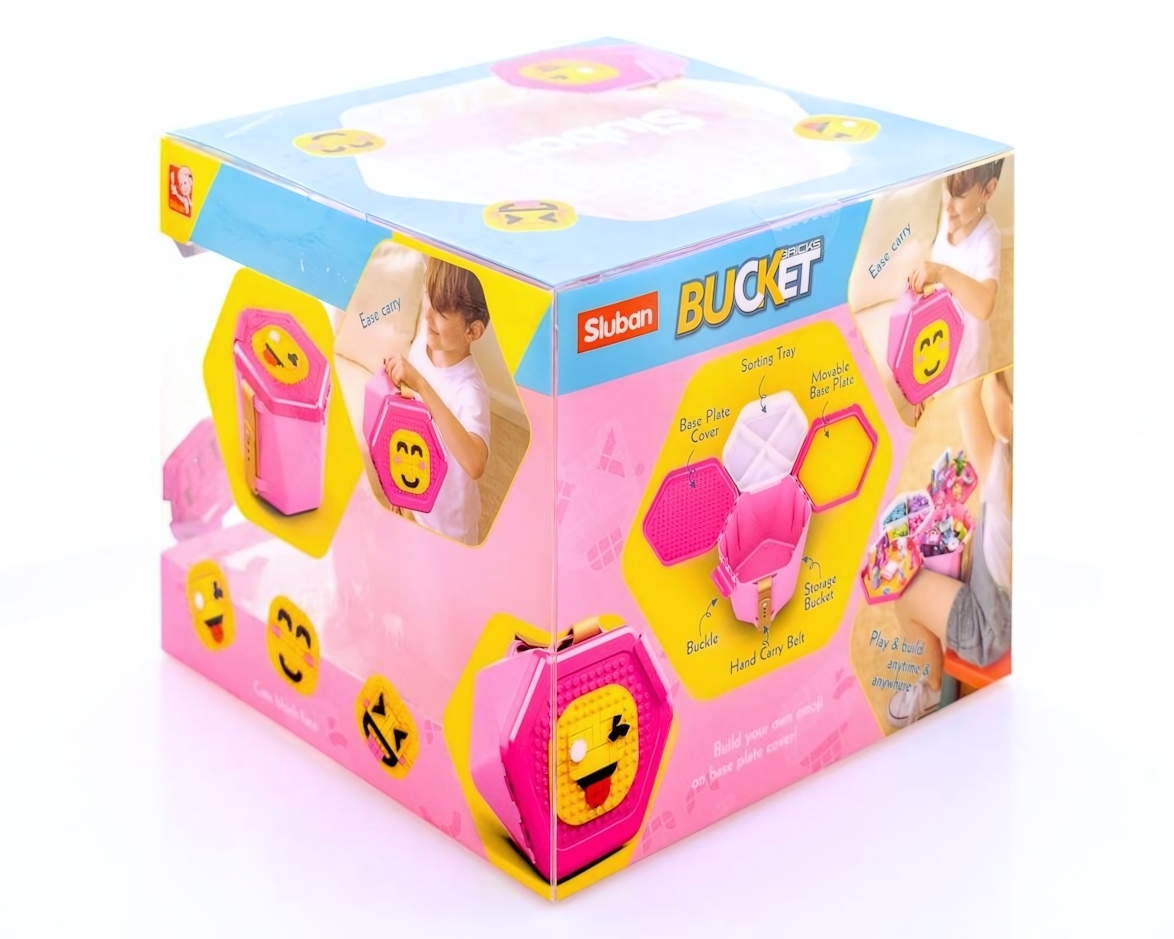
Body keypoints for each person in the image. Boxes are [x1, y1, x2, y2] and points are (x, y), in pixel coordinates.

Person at [888, 369, 1012, 726]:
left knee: (905, 593)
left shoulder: (1003, 475)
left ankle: (932, 686)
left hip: (990, 631)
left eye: (995, 384)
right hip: (1012, 609)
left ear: (1010, 409)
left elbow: (965, 397)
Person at [384, 258, 491, 546]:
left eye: (441, 312)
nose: (428, 313)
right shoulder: (425, 340)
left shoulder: (470, 391)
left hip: (448, 529)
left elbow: (475, 463)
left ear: (472, 332)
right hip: (416, 500)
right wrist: (401, 490)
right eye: (427, 296)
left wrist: (421, 384)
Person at [908, 159, 1003, 386]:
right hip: (937, 352)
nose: (948, 206)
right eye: (946, 189)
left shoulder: (987, 238)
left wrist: (941, 272)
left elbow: (985, 305)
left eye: (959, 195)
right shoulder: (949, 217)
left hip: (966, 368)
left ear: (988, 190)